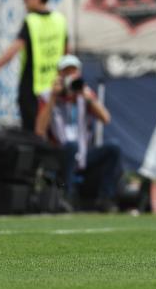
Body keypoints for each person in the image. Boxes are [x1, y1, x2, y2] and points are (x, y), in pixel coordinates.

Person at [0, 0, 68, 131]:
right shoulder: (60, 20)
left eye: (26, 0)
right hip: (53, 84)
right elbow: (66, 53)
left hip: (32, 84)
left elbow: (11, 52)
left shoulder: (31, 21)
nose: (25, 5)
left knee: (31, 131)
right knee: (52, 129)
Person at [35, 55, 121, 211]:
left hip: (83, 153)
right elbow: (40, 130)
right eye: (66, 72)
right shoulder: (47, 95)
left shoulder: (84, 94)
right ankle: (67, 196)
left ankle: (106, 198)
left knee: (113, 148)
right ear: (59, 75)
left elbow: (106, 118)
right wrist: (54, 98)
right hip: (61, 153)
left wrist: (89, 99)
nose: (70, 76)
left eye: (73, 72)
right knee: (71, 146)